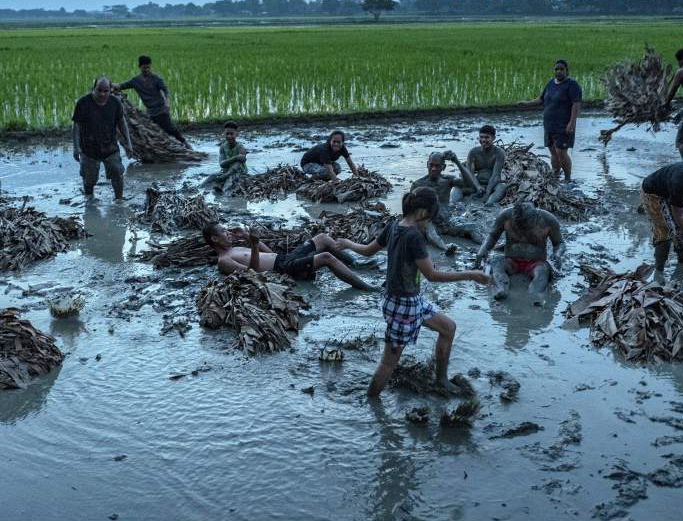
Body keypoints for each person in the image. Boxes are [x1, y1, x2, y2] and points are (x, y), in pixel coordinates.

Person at [335, 187, 490, 397]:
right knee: (389, 361)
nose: (430, 222)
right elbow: (432, 276)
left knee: (448, 328)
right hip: (403, 306)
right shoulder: (413, 236)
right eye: (431, 217)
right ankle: (371, 402)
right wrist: (470, 274)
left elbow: (367, 250)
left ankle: (441, 380)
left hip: (405, 300)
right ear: (423, 212)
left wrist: (347, 243)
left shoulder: (393, 225)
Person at [201, 223, 379, 291]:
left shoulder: (237, 247)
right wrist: (253, 245)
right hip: (282, 269)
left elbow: (269, 252)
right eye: (224, 232)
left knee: (323, 238)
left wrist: (249, 237)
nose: (229, 233)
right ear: (215, 239)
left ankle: (357, 263)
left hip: (284, 258)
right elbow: (252, 273)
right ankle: (366, 287)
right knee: (325, 257)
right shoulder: (223, 261)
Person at [476, 202, 564, 305]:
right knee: (495, 262)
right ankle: (501, 289)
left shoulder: (548, 220)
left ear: (535, 216)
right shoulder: (505, 216)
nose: (522, 229)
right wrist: (483, 249)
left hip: (536, 263)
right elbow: (493, 235)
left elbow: (559, 243)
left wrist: (557, 254)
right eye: (518, 224)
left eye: (525, 224)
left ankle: (535, 295)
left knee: (543, 271)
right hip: (511, 260)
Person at [518, 59, 582, 182]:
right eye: (556, 69)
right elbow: (540, 99)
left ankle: (568, 178)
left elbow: (576, 104)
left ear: (567, 71)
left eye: (561, 69)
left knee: (561, 152)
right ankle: (556, 174)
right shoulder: (550, 83)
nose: (558, 71)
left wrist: (572, 123)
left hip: (563, 125)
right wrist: (526, 103)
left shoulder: (572, 85)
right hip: (549, 125)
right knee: (553, 152)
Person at [71, 77, 133, 201]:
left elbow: (122, 122)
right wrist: (76, 147)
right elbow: (76, 125)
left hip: (110, 147)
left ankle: (119, 200)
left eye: (106, 91)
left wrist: (129, 143)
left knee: (117, 174)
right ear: (93, 89)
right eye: (99, 90)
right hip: (88, 149)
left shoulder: (115, 103)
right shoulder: (83, 103)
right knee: (89, 179)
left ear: (110, 91)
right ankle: (89, 200)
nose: (102, 94)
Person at [410, 151, 482, 251]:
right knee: (430, 231)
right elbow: (411, 209)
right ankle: (445, 248)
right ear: (427, 164)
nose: (434, 169)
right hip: (429, 222)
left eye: (437, 166)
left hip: (446, 223)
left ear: (443, 167)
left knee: (472, 228)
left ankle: (487, 246)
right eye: (431, 165)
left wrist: (457, 162)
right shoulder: (418, 184)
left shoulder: (448, 180)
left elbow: (470, 184)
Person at [114, 55, 190, 147]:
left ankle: (185, 143)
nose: (146, 69)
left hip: (161, 109)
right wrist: (110, 85)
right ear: (139, 67)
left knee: (169, 129)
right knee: (153, 132)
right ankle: (165, 147)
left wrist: (167, 102)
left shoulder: (156, 78)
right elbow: (121, 86)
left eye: (148, 67)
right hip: (150, 112)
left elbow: (166, 90)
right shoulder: (135, 81)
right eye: (144, 67)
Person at [464, 125, 509, 206]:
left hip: (492, 185)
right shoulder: (473, 152)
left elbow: (495, 175)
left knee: (502, 187)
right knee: (456, 188)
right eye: (481, 137)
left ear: (493, 138)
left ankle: (489, 204)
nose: (483, 140)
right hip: (476, 183)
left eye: (487, 137)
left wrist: (487, 193)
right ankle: (453, 203)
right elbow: (470, 173)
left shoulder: (499, 153)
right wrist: (477, 186)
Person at [205, 121, 248, 193]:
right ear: (224, 134)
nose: (229, 136)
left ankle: (224, 195)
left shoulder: (241, 147)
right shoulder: (223, 147)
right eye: (227, 134)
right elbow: (221, 164)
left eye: (231, 134)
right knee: (211, 177)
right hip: (225, 171)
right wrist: (236, 157)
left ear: (236, 134)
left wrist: (227, 175)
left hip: (239, 172)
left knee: (229, 182)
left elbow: (238, 164)